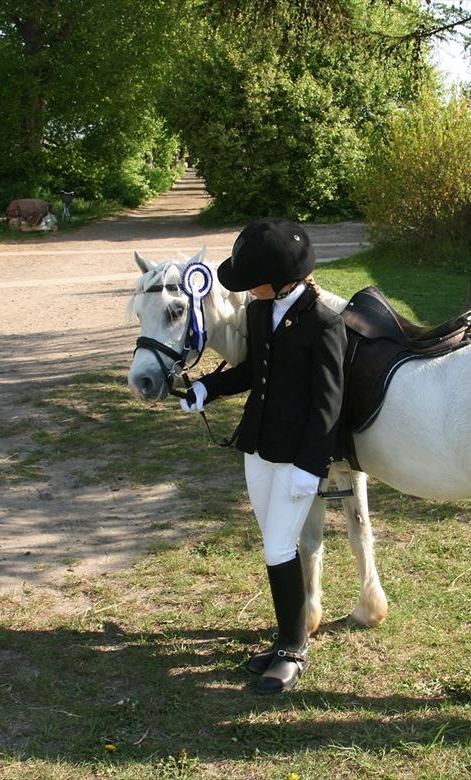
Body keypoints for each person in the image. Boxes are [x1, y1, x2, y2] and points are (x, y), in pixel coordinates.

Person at [180, 218, 347, 694]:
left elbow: (327, 403)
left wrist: (310, 467)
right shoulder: (259, 310)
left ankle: (294, 649)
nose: (241, 288)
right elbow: (254, 370)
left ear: (279, 278)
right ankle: (284, 640)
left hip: (297, 458)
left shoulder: (324, 322)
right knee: (274, 547)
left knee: (278, 546)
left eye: (248, 279)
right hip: (258, 446)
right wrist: (206, 389)